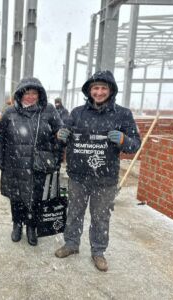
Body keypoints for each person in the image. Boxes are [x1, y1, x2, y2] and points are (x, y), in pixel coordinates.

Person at [54, 70, 141, 271]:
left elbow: (135, 144)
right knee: (74, 212)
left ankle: (98, 251)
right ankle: (71, 244)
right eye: (95, 88)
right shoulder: (77, 113)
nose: (99, 92)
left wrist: (123, 140)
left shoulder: (123, 114)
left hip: (105, 178)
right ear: (89, 90)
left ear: (110, 90)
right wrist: (61, 135)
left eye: (103, 88)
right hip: (78, 176)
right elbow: (61, 136)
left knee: (101, 216)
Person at [0, 77, 62, 246]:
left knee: (36, 198)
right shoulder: (10, 113)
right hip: (14, 163)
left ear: (40, 94)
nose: (30, 97)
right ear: (20, 94)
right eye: (27, 93)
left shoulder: (49, 111)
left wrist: (60, 142)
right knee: (16, 198)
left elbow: (60, 132)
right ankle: (17, 224)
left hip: (38, 165)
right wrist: (0, 159)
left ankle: (32, 227)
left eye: (34, 93)